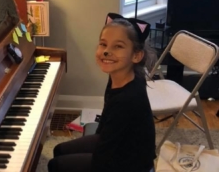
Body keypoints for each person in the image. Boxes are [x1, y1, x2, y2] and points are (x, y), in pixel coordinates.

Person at [47, 13, 157, 172]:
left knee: (56, 165)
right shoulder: (120, 76)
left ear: (136, 55)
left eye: (118, 46)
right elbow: (106, 120)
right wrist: (97, 138)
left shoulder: (127, 100)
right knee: (60, 150)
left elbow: (103, 160)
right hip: (119, 145)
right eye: (103, 44)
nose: (107, 51)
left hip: (131, 163)